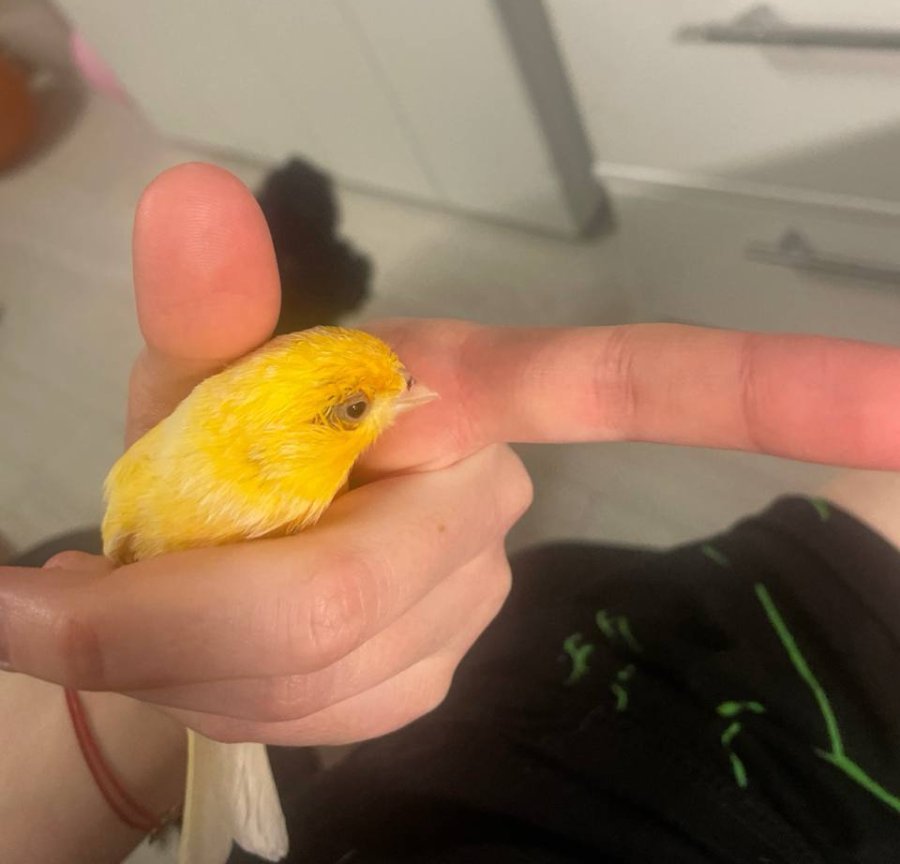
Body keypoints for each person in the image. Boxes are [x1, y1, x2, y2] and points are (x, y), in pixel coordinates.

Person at [2, 162, 899, 864]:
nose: (401, 396)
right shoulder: (171, 486)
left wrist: (124, 729)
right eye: (359, 407)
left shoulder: (208, 466)